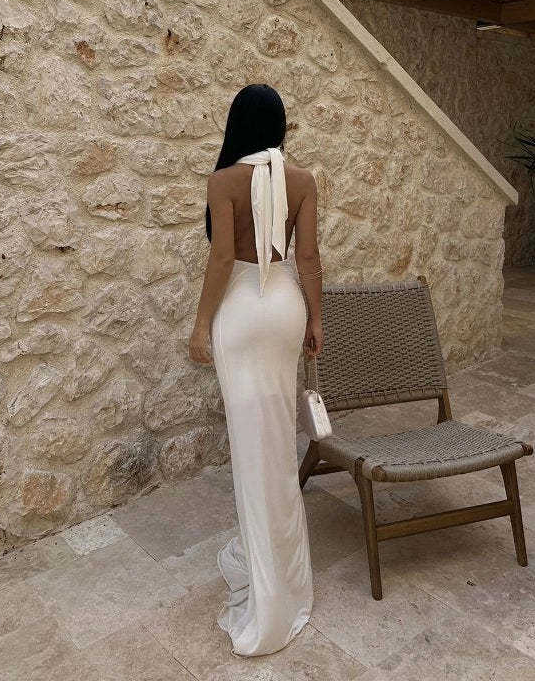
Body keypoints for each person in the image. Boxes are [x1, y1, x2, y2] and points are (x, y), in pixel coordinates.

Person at [188, 83, 324, 657]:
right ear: (281, 126)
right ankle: (282, 574)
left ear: (237, 125)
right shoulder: (303, 181)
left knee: (251, 446)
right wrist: (316, 319)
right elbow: (308, 258)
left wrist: (200, 325)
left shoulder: (222, 181)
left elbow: (223, 257)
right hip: (285, 307)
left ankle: (267, 599)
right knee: (278, 441)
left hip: (242, 312)